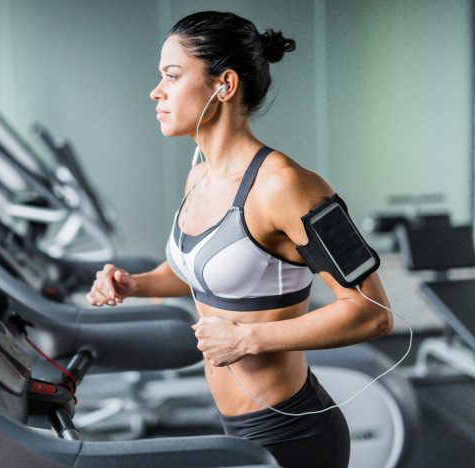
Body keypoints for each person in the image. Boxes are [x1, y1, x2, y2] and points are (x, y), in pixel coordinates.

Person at [86, 10, 393, 468]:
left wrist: (248, 340)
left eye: (172, 75)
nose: (157, 91)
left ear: (223, 86)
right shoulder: (199, 176)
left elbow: (373, 315)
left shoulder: (287, 186)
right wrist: (135, 284)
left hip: (293, 430)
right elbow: (204, 271)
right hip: (233, 425)